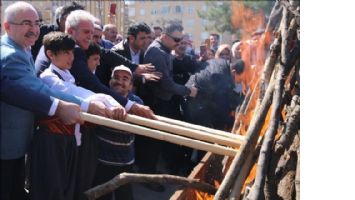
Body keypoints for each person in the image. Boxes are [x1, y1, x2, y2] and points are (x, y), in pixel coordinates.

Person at [0, 2, 105, 200]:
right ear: (7, 26)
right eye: (26, 23)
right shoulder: (11, 54)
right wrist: (87, 105)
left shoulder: (20, 46)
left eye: (36, 23)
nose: (33, 29)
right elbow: (39, 89)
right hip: (8, 144)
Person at [36, 31, 126, 200]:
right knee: (54, 188)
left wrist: (113, 104)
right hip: (54, 142)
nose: (71, 57)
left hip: (70, 141)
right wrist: (100, 103)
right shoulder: (48, 77)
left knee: (71, 187)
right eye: (66, 53)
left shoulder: (68, 75)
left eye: (72, 52)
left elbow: (85, 92)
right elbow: (74, 94)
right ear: (50, 54)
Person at [138, 22, 198, 191]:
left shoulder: (163, 49)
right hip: (156, 103)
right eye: (176, 39)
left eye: (181, 39)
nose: (179, 43)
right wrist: (188, 91)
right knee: (152, 144)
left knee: (155, 143)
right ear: (165, 36)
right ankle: (147, 178)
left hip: (160, 102)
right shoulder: (157, 52)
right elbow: (166, 84)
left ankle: (150, 173)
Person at [93, 65, 143, 200]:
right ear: (109, 82)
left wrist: (122, 110)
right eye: (116, 77)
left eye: (125, 79)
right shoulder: (101, 98)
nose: (119, 81)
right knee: (102, 196)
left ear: (131, 86)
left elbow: (138, 123)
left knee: (125, 196)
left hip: (125, 161)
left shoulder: (136, 102)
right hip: (102, 160)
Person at [111, 22, 162, 93]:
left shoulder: (145, 51)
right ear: (131, 38)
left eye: (148, 37)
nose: (147, 41)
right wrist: (142, 78)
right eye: (143, 38)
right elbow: (118, 78)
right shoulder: (118, 52)